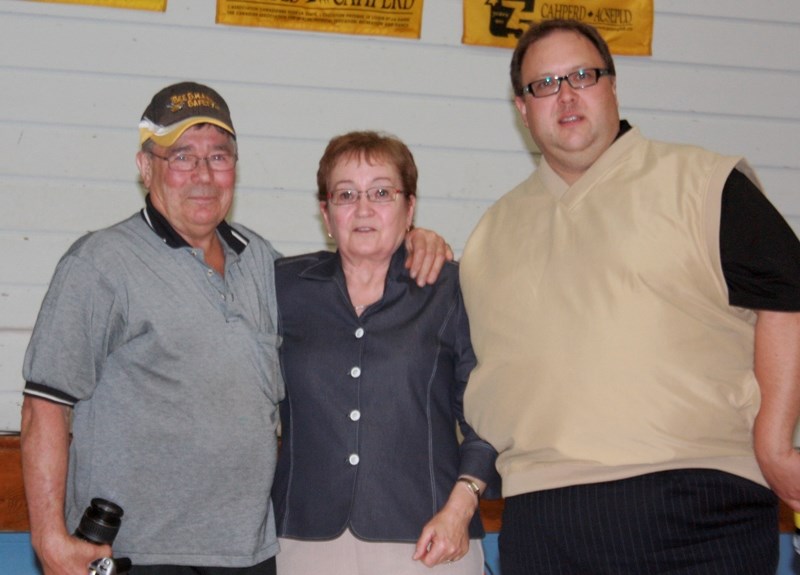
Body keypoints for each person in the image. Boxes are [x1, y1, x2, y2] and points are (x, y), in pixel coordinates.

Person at [20, 83, 450, 575]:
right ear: (146, 167)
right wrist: (49, 536)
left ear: (235, 169)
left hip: (250, 554)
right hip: (138, 554)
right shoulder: (100, 265)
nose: (203, 175)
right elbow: (44, 406)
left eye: (219, 157)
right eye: (182, 156)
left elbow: (351, 277)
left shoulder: (263, 263)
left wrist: (413, 240)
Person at [460, 19, 800, 575]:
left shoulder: (703, 183)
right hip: (539, 520)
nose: (566, 95)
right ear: (522, 109)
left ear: (613, 86)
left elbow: (787, 297)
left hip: (698, 510)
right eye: (543, 84)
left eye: (582, 76)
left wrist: (775, 444)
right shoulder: (490, 234)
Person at [272, 131, 498, 575]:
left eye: (381, 192)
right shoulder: (283, 287)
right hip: (303, 539)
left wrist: (460, 508)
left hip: (429, 538)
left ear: (409, 206)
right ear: (325, 211)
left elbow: (488, 414)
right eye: (345, 195)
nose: (363, 209)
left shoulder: (451, 289)